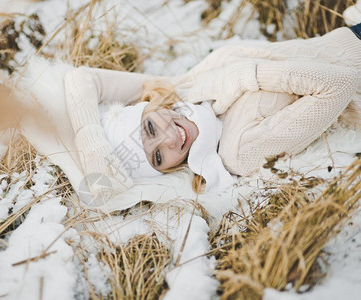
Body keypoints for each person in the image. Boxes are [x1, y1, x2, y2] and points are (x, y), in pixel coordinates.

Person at [64, 24, 361, 199]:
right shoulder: (239, 152)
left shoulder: (188, 92)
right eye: (157, 156)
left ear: (151, 109)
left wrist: (91, 143)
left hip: (347, 35)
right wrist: (246, 76)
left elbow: (82, 79)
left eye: (150, 128)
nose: (168, 139)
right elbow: (341, 83)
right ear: (167, 170)